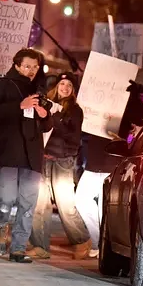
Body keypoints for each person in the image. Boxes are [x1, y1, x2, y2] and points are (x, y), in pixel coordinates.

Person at [0, 48, 51, 263]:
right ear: (16, 65)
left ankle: (18, 248)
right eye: (27, 66)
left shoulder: (40, 89)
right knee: (5, 198)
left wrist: (44, 115)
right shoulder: (4, 84)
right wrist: (19, 106)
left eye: (35, 67)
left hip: (32, 155)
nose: (31, 70)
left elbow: (47, 125)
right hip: (9, 151)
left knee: (28, 204)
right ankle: (0, 227)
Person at [29, 73, 91, 260]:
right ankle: (40, 246)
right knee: (39, 204)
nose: (65, 87)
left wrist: (54, 118)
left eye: (69, 85)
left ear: (73, 90)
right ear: (56, 86)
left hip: (62, 161)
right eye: (62, 83)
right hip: (43, 159)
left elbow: (74, 137)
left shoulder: (75, 110)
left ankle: (82, 241)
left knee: (65, 205)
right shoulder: (46, 103)